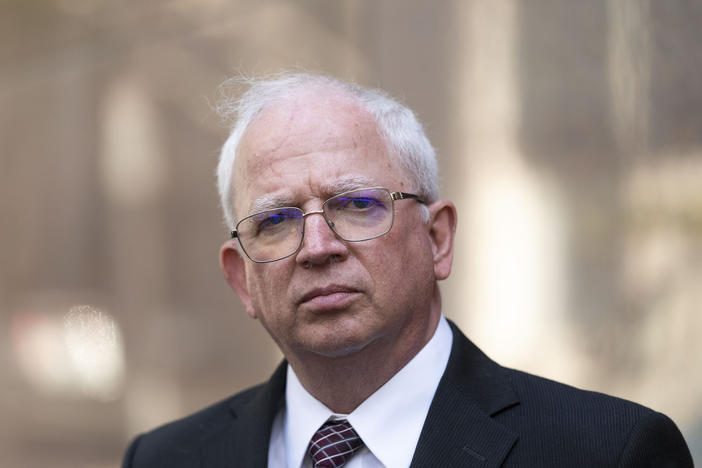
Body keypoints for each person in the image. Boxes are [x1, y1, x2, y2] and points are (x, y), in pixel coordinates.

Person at [122, 73, 693, 467]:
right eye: (276, 219)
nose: (316, 247)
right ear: (241, 278)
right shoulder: (166, 460)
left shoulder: (607, 454)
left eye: (356, 204)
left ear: (437, 239)